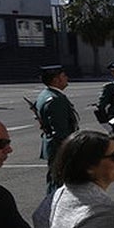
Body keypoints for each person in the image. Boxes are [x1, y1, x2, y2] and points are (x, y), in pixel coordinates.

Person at [36, 64, 80, 193]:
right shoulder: (55, 99)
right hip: (59, 147)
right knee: (59, 181)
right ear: (56, 79)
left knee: (55, 178)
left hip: (53, 145)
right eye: (63, 76)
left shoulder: (46, 95)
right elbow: (61, 131)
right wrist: (70, 149)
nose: (67, 78)